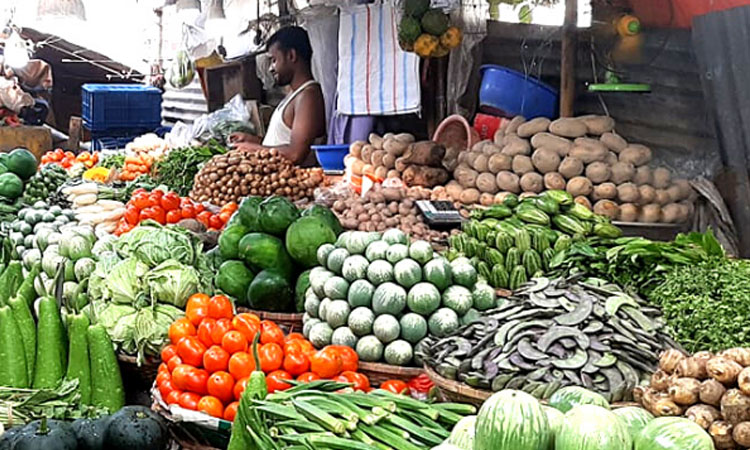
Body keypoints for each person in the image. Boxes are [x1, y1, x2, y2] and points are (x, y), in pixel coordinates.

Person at [230, 26, 326, 166]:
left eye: (274, 60)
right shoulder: (294, 95)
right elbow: (281, 143)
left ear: (291, 56)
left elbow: (295, 154)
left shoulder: (308, 96)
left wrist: (255, 149)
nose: (271, 68)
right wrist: (253, 141)